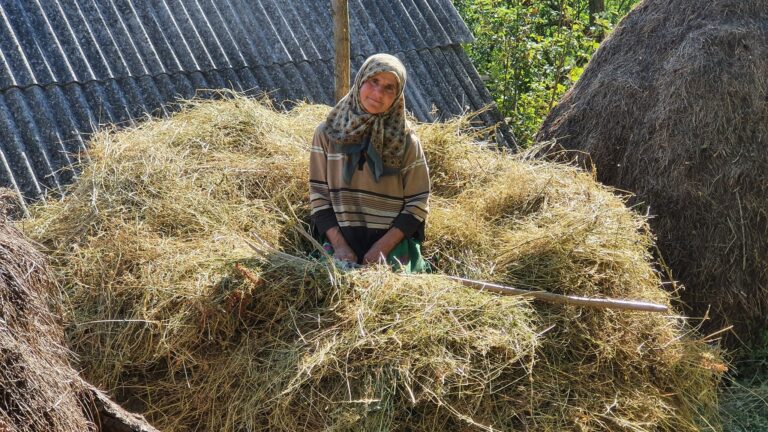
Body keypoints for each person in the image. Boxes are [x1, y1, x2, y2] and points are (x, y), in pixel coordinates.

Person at [309, 53, 430, 272]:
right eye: (374, 81)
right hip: (340, 239)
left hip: (390, 242)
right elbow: (319, 196)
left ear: (398, 95)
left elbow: (418, 202)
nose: (378, 93)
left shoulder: (407, 141)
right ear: (361, 80)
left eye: (389, 87)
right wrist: (340, 246)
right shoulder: (328, 133)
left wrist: (382, 248)